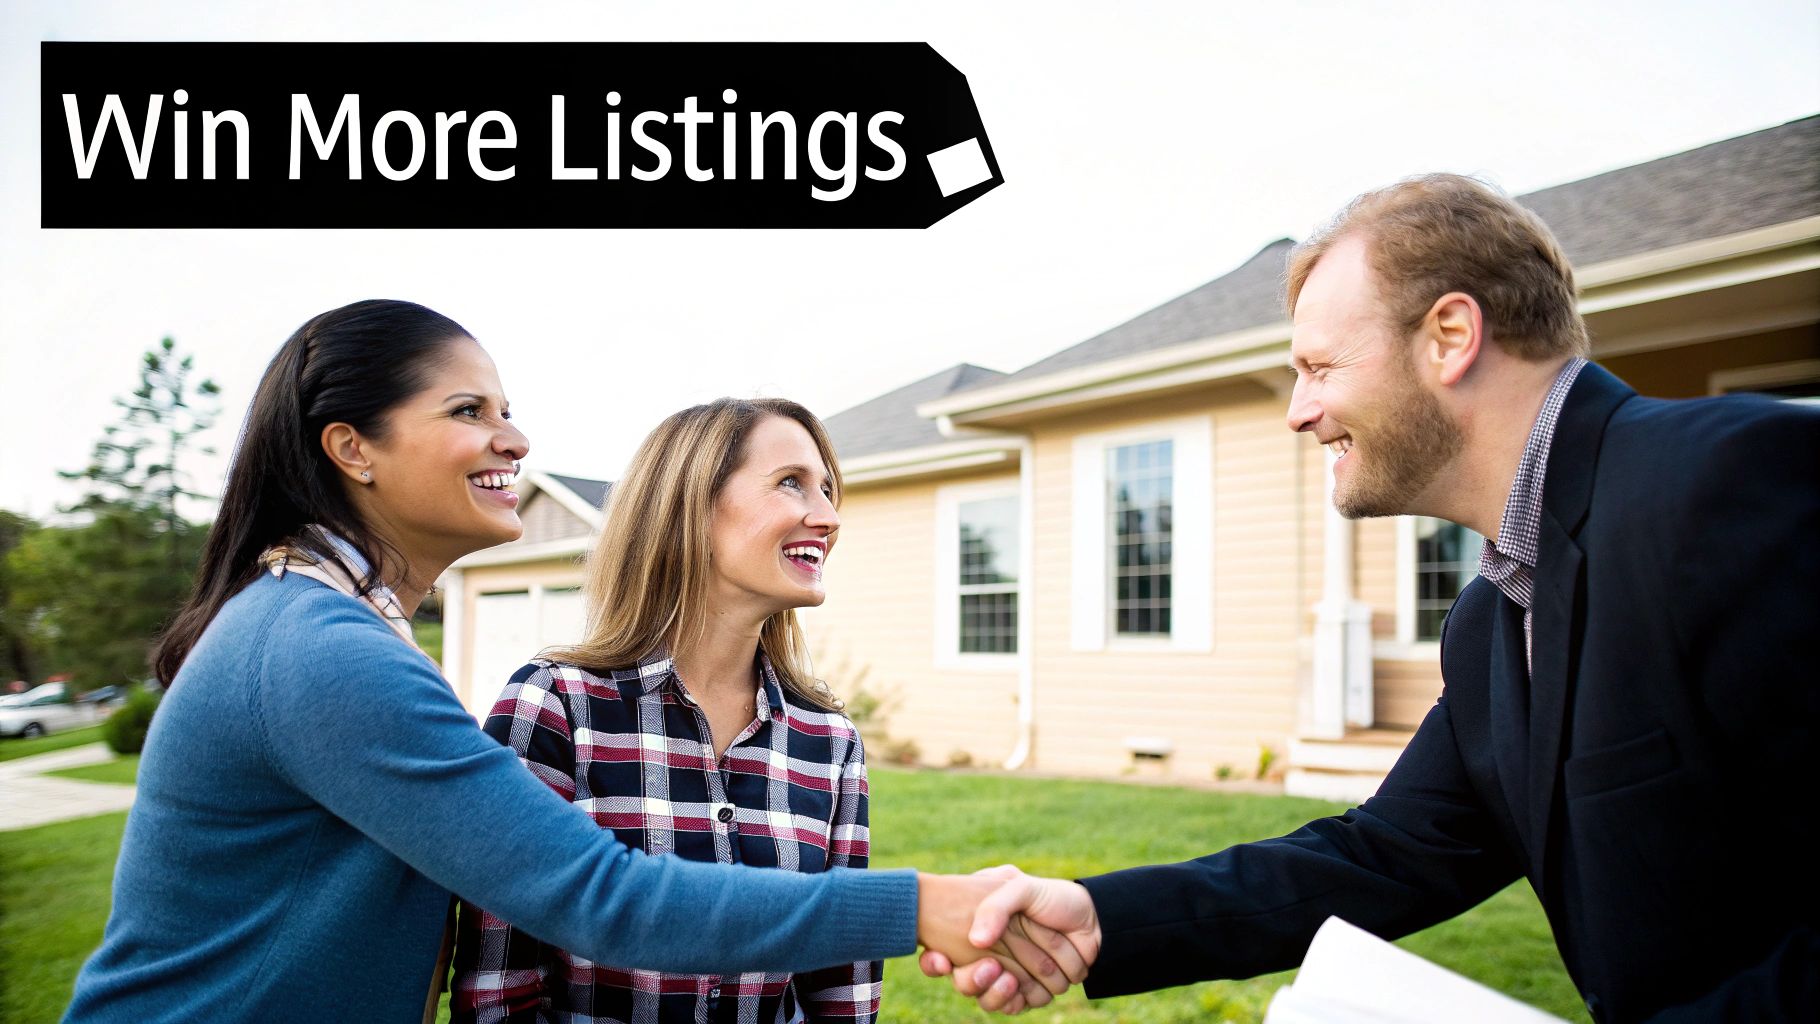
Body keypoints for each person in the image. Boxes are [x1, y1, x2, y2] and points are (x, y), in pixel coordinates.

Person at [929, 175, 1820, 1022]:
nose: (1298, 410)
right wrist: (1099, 916)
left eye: (1319, 366)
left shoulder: (1729, 480)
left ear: (1449, 337)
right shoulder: (1491, 620)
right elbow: (1388, 854)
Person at [63, 300, 1089, 1023]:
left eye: (503, 407)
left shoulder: (326, 632)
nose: (512, 436)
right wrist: (924, 902)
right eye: (468, 411)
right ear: (352, 449)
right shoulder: (315, 650)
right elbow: (599, 898)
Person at [451, 398, 885, 1022]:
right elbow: (499, 984)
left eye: (828, 490)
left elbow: (842, 987)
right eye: (791, 483)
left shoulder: (830, 739)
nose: (827, 516)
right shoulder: (555, 708)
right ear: (692, 506)